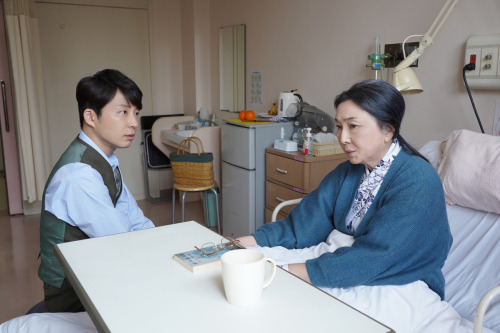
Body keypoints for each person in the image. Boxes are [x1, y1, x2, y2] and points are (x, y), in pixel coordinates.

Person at [237, 79, 452, 300]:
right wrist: (241, 243)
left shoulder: (418, 180)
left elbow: (376, 257)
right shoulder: (348, 172)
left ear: (387, 130)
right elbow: (301, 227)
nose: (342, 138)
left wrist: (284, 273)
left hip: (398, 282)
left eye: (353, 126)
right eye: (339, 126)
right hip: (340, 263)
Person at [38, 69, 155, 313]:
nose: (133, 122)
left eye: (135, 113)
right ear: (90, 117)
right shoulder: (79, 176)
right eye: (123, 112)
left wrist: (160, 244)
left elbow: (132, 215)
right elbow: (120, 240)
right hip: (74, 294)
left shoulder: (105, 157)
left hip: (99, 266)